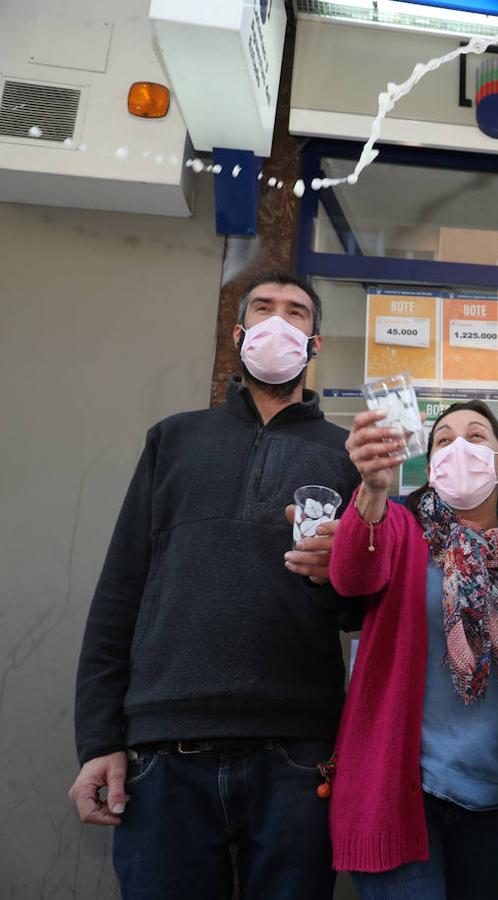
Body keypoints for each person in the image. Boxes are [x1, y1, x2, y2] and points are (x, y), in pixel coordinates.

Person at [70, 273, 359, 899]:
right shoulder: (174, 439)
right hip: (163, 751)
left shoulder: (345, 455)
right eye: (263, 309)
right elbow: (120, 591)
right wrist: (97, 740)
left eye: (297, 313)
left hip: (299, 752)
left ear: (315, 343)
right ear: (238, 335)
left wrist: (334, 576)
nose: (279, 322)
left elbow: (357, 611)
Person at [325, 401, 498, 898]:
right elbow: (351, 576)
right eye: (443, 440)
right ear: (429, 464)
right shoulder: (400, 527)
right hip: (403, 792)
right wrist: (373, 489)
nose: (459, 448)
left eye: (476, 437)